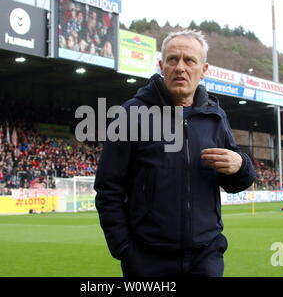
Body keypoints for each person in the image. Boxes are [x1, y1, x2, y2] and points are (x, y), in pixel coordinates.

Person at [94, 30, 256, 277]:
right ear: (161, 65)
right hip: (147, 260)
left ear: (204, 69)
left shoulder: (215, 116)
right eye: (172, 59)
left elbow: (237, 182)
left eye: (189, 60)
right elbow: (108, 188)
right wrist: (124, 248)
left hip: (205, 257)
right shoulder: (130, 114)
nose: (180, 67)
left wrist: (241, 165)